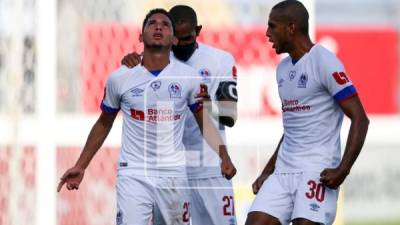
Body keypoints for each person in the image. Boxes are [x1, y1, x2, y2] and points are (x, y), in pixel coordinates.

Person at [57, 8, 236, 225]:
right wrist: (81, 165)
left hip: (178, 173)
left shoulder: (193, 75)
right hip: (133, 172)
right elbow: (104, 123)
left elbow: (210, 121)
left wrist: (224, 156)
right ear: (140, 36)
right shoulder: (120, 77)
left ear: (174, 38)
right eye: (152, 23)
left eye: (165, 24)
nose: (158, 26)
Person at [245, 1, 369, 225]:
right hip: (283, 173)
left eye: (272, 26)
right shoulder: (282, 69)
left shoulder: (324, 61)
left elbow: (360, 118)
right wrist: (267, 172)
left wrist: (343, 169)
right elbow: (291, 129)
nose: (267, 33)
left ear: (291, 28)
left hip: (316, 171)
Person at [121, 5, 239, 225]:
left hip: (209, 169)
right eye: (178, 40)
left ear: (199, 30)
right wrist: (132, 64)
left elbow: (229, 117)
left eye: (189, 38)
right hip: (169, 172)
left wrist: (205, 103)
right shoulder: (152, 63)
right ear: (170, 36)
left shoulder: (220, 60)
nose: (183, 45)